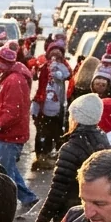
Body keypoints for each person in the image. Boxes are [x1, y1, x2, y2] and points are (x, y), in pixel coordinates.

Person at [36, 94, 110, 222]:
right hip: (94, 212)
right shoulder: (103, 139)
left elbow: (58, 190)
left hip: (70, 215)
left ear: (76, 119)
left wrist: (42, 220)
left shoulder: (71, 148)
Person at [0, 44, 39, 216]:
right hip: (8, 134)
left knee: (3, 171)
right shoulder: (11, 77)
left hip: (9, 135)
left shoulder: (14, 80)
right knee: (6, 169)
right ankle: (26, 198)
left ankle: (11, 201)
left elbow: (12, 111)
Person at [31, 39, 72, 167]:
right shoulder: (44, 67)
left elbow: (67, 75)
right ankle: (41, 156)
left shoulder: (62, 67)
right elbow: (39, 81)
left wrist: (59, 66)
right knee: (43, 131)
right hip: (44, 105)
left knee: (55, 131)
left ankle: (50, 154)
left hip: (57, 105)